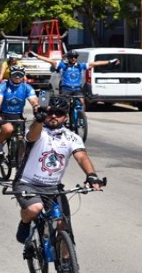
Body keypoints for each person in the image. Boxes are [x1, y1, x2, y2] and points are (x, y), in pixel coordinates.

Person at [13, 96, 105, 244]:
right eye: (50, 112)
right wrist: (39, 119)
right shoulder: (39, 131)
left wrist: (92, 175)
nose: (54, 116)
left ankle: (67, 264)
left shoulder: (72, 137)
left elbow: (81, 157)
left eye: (59, 113)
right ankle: (25, 223)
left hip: (54, 187)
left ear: (66, 117)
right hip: (27, 183)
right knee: (35, 208)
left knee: (64, 225)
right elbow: (32, 136)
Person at [32, 49, 118, 111]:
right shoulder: (63, 65)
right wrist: (36, 56)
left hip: (77, 89)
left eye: (75, 57)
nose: (73, 58)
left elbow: (95, 63)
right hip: (65, 89)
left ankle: (81, 118)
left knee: (82, 102)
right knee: (65, 105)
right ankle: (65, 119)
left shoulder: (81, 66)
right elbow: (50, 61)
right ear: (68, 57)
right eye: (71, 57)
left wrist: (110, 61)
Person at [0, 65, 38, 155]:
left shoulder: (26, 87)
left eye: (20, 75)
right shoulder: (2, 86)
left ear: (23, 76)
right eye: (15, 74)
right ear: (10, 75)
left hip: (18, 115)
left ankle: (19, 163)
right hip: (3, 114)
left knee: (21, 139)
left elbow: (33, 100)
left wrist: (36, 107)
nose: (17, 77)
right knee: (8, 129)